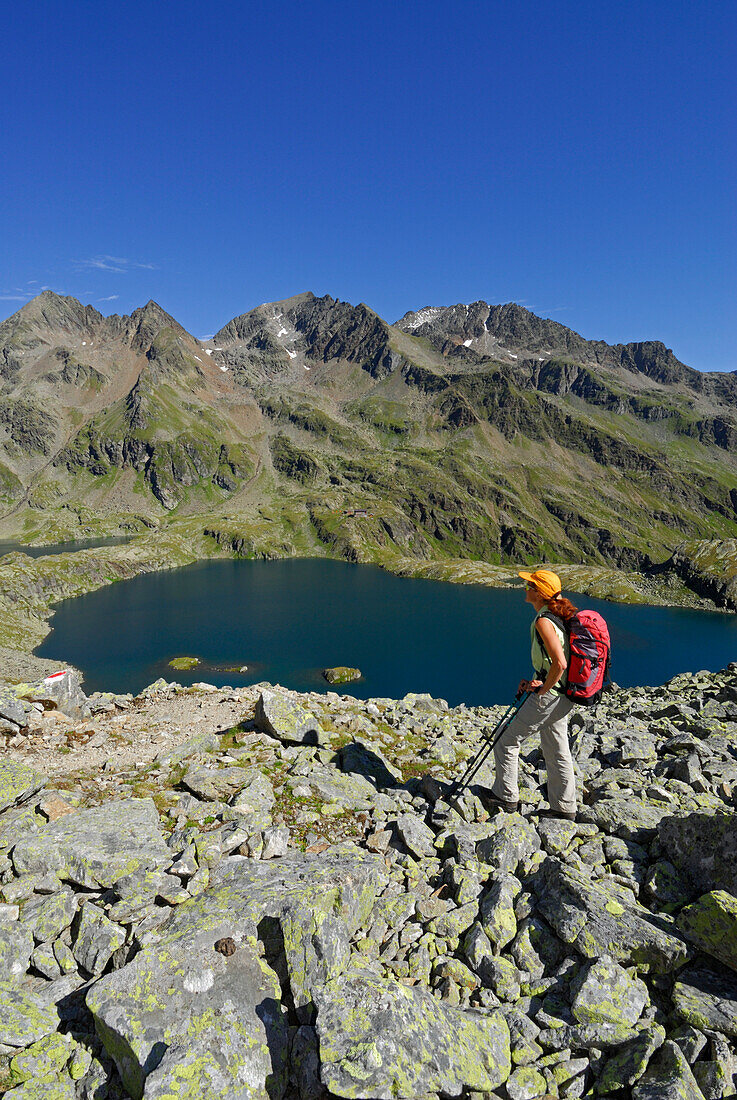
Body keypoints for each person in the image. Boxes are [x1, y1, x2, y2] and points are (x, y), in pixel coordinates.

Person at [481, 568, 578, 821]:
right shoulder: (557, 616)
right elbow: (554, 662)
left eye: (529, 585)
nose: (525, 588)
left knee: (506, 740)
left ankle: (506, 797)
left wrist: (542, 689)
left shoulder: (544, 621)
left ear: (538, 593)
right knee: (557, 748)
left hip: (551, 696)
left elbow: (560, 663)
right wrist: (539, 680)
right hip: (565, 696)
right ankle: (564, 807)